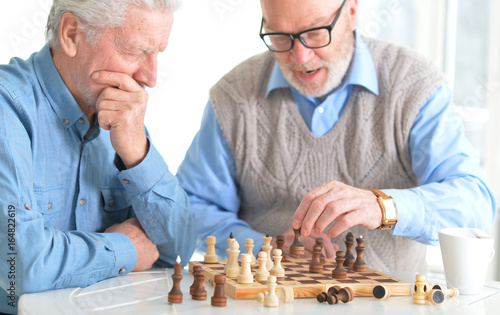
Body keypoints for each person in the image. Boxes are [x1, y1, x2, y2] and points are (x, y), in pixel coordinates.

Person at [176, 0, 496, 272]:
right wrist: (267, 247)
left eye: (315, 32)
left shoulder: (415, 85)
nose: (300, 57)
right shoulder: (233, 96)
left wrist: (384, 206)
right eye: (280, 36)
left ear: (353, 10)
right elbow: (189, 209)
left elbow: (475, 204)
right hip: (269, 301)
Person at [0, 0, 194, 313]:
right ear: (72, 34)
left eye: (158, 52)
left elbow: (179, 254)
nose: (151, 77)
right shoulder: (7, 106)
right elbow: (20, 266)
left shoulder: (120, 112)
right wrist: (128, 249)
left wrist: (136, 152)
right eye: (135, 50)